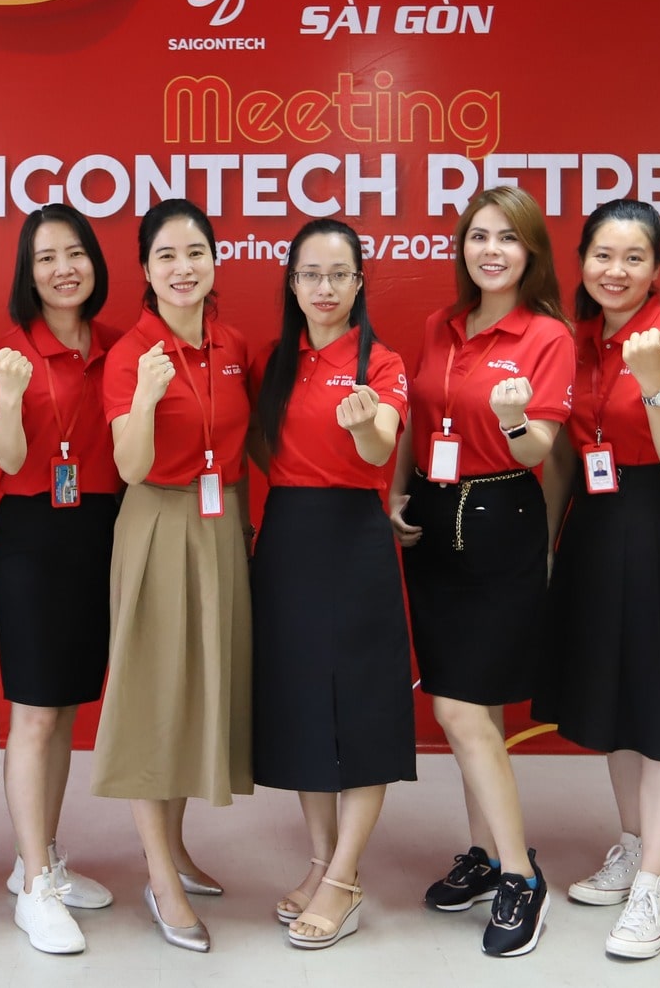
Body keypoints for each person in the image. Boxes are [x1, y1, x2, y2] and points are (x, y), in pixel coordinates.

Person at [389, 185, 576, 958]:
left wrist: (511, 418)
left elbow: (539, 449)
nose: (490, 250)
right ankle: (487, 852)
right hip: (432, 519)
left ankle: (521, 877)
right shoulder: (443, 324)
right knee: (476, 712)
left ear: (531, 252)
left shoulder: (548, 335)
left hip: (500, 517)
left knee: (460, 711)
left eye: (507, 238)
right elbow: (417, 414)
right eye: (478, 236)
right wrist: (395, 490)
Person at [539, 197, 660, 960]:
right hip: (595, 523)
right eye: (603, 255)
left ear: (656, 267)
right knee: (615, 704)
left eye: (634, 258)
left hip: (659, 529)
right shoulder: (576, 339)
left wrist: (652, 381)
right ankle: (633, 844)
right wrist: (551, 542)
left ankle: (654, 887)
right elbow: (563, 451)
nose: (615, 271)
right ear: (582, 260)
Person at [92, 198, 255, 953]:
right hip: (158, 520)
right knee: (154, 696)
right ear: (145, 270)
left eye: (195, 253)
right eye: (166, 256)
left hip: (219, 525)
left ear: (215, 261)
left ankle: (177, 850)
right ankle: (159, 876)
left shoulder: (232, 343)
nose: (183, 268)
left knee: (195, 693)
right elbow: (129, 466)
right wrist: (148, 396)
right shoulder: (133, 353)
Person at [249, 218, 414, 952]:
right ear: (292, 283)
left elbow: (380, 448)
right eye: (311, 274)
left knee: (363, 707)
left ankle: (345, 878)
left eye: (338, 274)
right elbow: (257, 442)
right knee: (302, 706)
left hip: (354, 537)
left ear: (358, 283)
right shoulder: (273, 361)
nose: (324, 287)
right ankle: (321, 862)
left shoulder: (381, 362)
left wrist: (364, 427)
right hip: (288, 534)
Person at [0, 204, 122, 954]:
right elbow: (5, 458)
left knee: (65, 708)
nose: (64, 269)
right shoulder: (7, 353)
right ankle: (35, 886)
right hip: (35, 532)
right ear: (27, 275)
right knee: (34, 712)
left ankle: (37, 858)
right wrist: (9, 397)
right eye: (46, 258)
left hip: (101, 529)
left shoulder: (120, 346)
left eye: (75, 254)